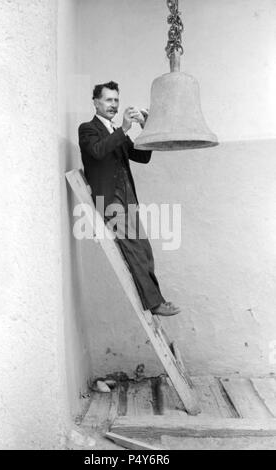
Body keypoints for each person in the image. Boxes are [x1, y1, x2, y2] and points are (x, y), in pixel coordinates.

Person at [78, 81, 180, 317]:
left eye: (116, 100)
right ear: (95, 102)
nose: (113, 105)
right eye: (108, 100)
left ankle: (156, 301)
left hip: (127, 201)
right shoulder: (87, 129)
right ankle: (155, 304)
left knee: (144, 250)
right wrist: (124, 129)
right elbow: (97, 151)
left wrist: (146, 128)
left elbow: (141, 158)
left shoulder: (116, 131)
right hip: (110, 202)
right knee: (134, 249)